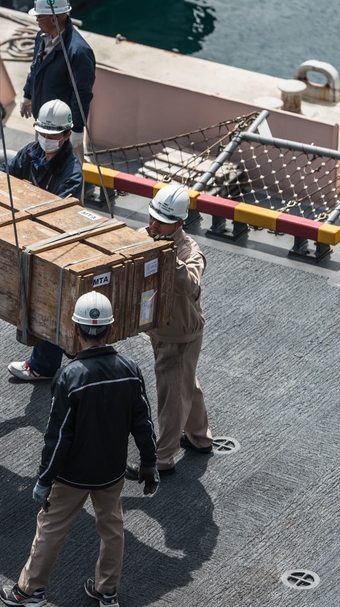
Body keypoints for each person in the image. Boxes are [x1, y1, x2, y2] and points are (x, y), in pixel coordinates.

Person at [0, 291, 159, 607]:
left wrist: (45, 479)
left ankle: (30, 592)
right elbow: (144, 424)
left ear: (75, 329)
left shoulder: (69, 377)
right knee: (112, 530)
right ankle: (107, 591)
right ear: (110, 330)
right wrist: (149, 464)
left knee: (50, 529)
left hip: (71, 476)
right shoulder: (130, 370)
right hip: (111, 473)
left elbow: (58, 437)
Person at [127, 184, 214, 480]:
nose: (152, 225)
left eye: (160, 221)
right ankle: (200, 437)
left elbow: (190, 285)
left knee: (172, 395)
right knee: (186, 382)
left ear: (179, 223)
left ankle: (163, 458)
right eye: (151, 218)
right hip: (165, 329)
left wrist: (166, 255)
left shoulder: (190, 252)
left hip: (179, 335)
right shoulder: (148, 236)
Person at [2, 99, 83, 381]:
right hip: (33, 240)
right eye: (42, 134)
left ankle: (48, 365)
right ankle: (71, 354)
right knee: (48, 304)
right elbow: (7, 174)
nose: (45, 140)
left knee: (52, 303)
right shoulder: (32, 152)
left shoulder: (71, 173)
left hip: (58, 247)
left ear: (66, 135)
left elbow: (58, 214)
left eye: (52, 136)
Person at [21, 0, 95, 167]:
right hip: (43, 121)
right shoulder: (41, 37)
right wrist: (27, 95)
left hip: (64, 130)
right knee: (41, 166)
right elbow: (35, 68)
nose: (36, 21)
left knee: (69, 172)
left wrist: (77, 129)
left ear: (54, 19)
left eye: (39, 17)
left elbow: (81, 94)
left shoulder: (78, 52)